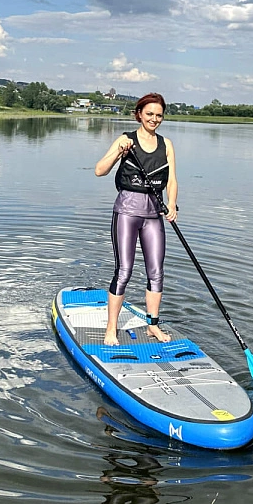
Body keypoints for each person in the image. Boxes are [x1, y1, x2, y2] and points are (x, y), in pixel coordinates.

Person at [94, 92, 178, 346]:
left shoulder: (166, 144)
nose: (154, 119)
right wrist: (119, 152)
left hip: (154, 215)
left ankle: (153, 326)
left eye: (159, 115)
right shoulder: (125, 139)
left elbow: (172, 180)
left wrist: (171, 204)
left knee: (156, 272)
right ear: (139, 114)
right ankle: (111, 329)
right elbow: (99, 170)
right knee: (124, 271)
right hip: (127, 212)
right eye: (149, 114)